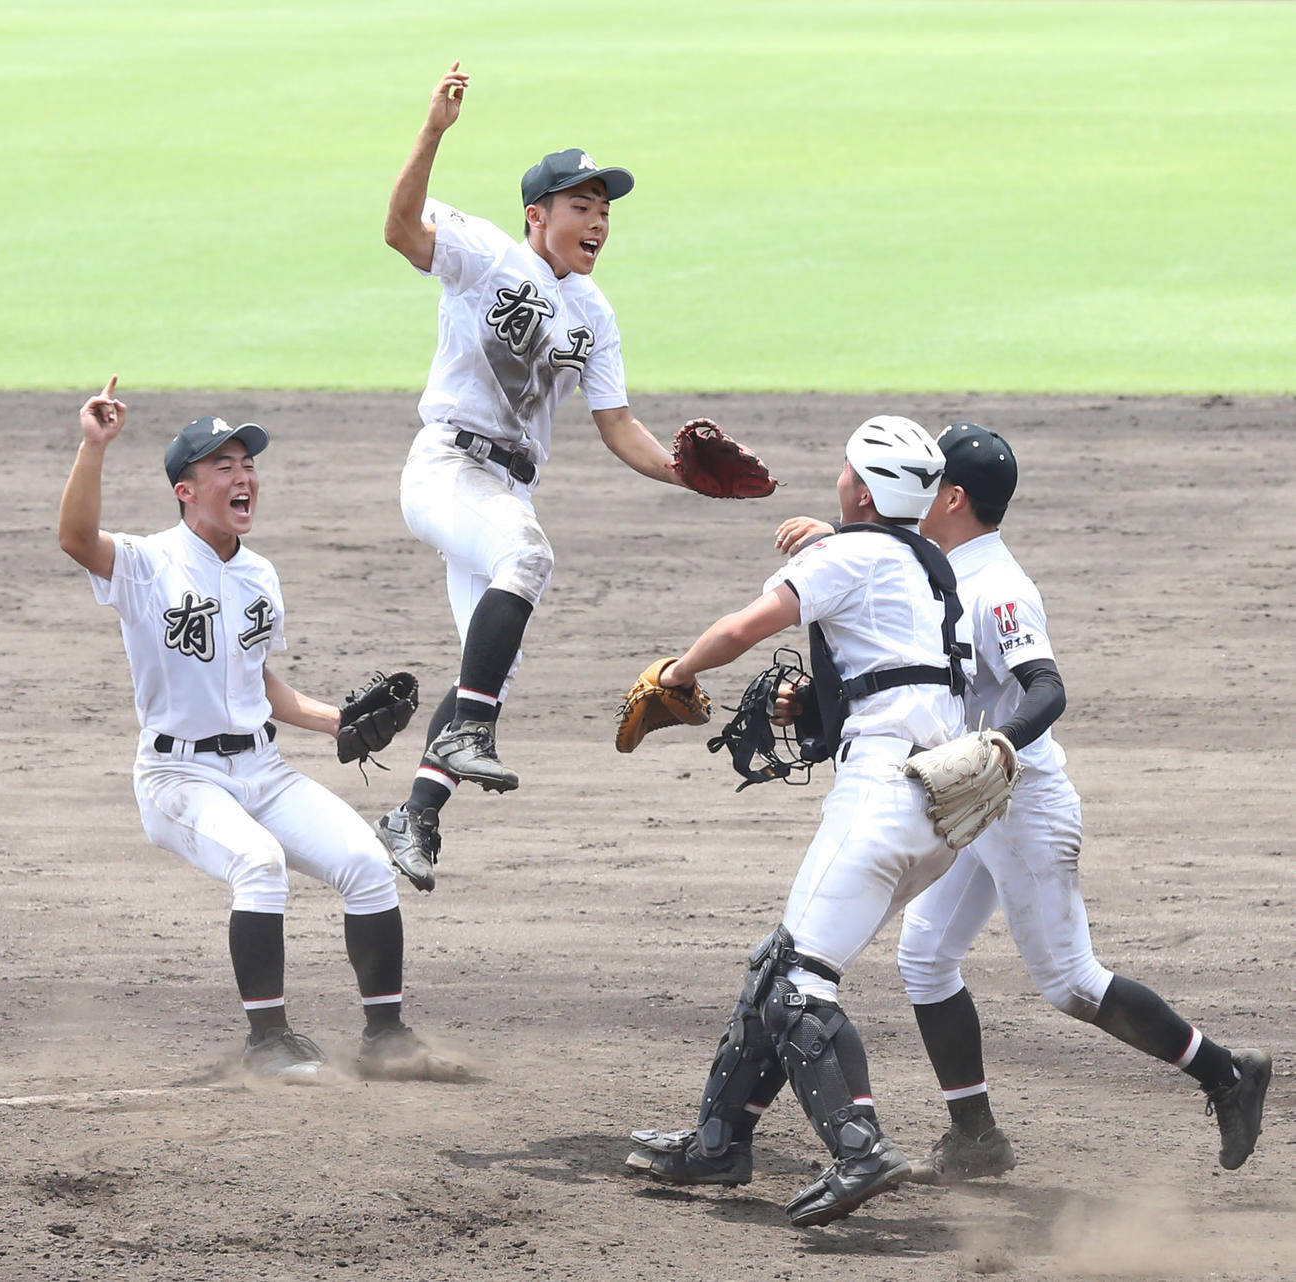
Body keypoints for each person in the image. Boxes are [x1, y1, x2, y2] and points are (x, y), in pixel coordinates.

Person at [773, 421, 1271, 1182]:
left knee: (1071, 981)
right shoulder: (931, 562)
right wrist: (840, 535)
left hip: (1022, 800)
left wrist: (998, 743)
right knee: (926, 957)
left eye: (932, 477)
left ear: (955, 497)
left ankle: (1227, 1075)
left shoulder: (999, 587)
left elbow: (1048, 687)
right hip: (964, 798)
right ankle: (976, 1137)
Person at [624, 416, 984, 1230]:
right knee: (779, 965)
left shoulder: (845, 555)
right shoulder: (929, 568)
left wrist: (672, 675)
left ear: (859, 488)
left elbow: (743, 628)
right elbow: (885, 654)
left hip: (883, 795)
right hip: (938, 807)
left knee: (797, 986)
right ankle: (719, 1141)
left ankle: (861, 1148)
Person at [59, 377, 452, 1084]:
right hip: (179, 777)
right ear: (186, 489)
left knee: (366, 863)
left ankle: (385, 1035)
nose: (244, 478)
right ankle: (267, 1041)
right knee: (260, 864)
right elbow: (76, 537)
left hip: (262, 770)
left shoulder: (261, 575)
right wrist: (94, 447)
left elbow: (261, 687)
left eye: (248, 465)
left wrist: (337, 722)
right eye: (223, 466)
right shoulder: (147, 564)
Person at [375, 61, 691, 892]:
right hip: (446, 466)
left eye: (606, 211)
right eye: (582, 207)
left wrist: (684, 474)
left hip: (503, 488)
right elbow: (401, 230)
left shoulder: (596, 313)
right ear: (537, 216)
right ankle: (469, 728)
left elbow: (617, 425)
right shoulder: (484, 254)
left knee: (493, 661)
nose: (598, 223)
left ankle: (415, 816)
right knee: (528, 558)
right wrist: (432, 133)